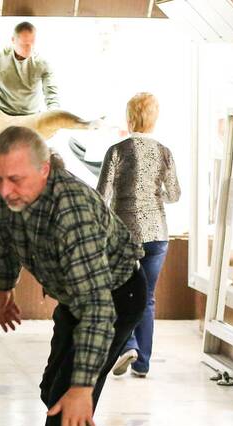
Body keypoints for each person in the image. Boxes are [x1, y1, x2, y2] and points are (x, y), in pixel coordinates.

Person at [0, 126, 145, 426]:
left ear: (45, 169)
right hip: (76, 296)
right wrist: (5, 290)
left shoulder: (69, 208)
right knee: (51, 391)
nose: (5, 189)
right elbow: (5, 237)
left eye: (15, 179)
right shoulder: (4, 190)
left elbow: (98, 307)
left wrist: (82, 389)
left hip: (113, 296)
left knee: (68, 408)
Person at [99, 93, 181, 378]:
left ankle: (127, 345)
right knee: (146, 298)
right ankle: (142, 363)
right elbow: (174, 195)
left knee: (120, 292)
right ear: (154, 119)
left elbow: (102, 195)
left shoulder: (117, 151)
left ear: (130, 118)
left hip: (124, 234)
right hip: (157, 234)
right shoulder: (164, 152)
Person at [0, 21, 59, 121]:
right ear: (13, 40)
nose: (29, 49)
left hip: (30, 117)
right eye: (24, 45)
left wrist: (54, 116)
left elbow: (52, 95)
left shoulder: (42, 63)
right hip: (0, 114)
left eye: (32, 43)